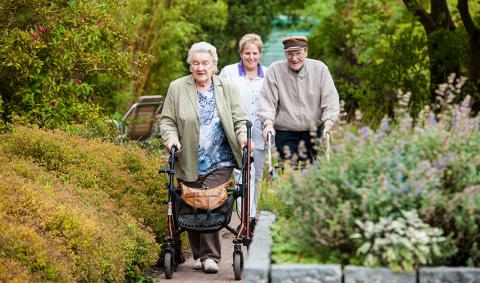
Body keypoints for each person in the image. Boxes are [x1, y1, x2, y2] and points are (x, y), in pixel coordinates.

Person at [159, 42, 248, 274]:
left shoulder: (227, 88)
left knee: (208, 200)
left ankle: (210, 257)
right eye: (196, 63)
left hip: (221, 158)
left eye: (205, 63)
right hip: (188, 156)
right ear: (190, 66)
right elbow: (167, 120)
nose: (200, 68)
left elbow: (239, 120)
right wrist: (171, 138)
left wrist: (243, 139)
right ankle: (198, 255)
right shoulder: (177, 88)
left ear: (214, 65)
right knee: (191, 202)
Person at [257, 35, 340, 162]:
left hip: (313, 131)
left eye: (298, 53)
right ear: (285, 54)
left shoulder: (320, 69)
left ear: (306, 52)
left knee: (314, 172)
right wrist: (268, 123)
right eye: (289, 54)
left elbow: (331, 101)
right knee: (288, 173)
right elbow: (267, 101)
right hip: (285, 132)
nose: (294, 58)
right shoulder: (275, 70)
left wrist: (329, 123)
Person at [220, 33, 267, 224]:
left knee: (257, 174)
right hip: (238, 129)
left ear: (260, 54)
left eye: (254, 53)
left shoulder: (268, 73)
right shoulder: (229, 72)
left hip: (260, 129)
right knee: (242, 172)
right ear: (241, 53)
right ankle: (246, 218)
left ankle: (253, 214)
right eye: (247, 53)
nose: (251, 57)